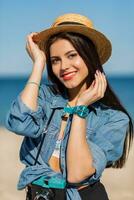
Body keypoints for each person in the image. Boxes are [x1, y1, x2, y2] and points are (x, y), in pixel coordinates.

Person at [6, 13, 133, 200]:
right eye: (55, 60)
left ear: (90, 56)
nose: (63, 66)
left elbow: (76, 174)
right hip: (40, 195)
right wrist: (38, 64)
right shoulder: (46, 98)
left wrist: (80, 109)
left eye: (72, 55)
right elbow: (19, 123)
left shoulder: (113, 118)